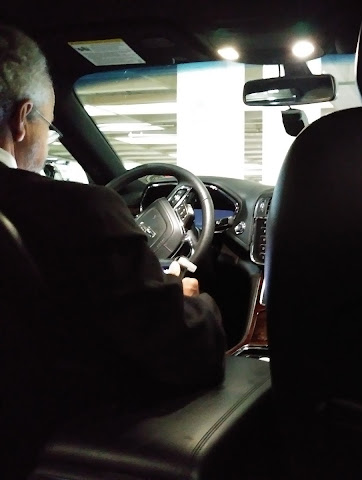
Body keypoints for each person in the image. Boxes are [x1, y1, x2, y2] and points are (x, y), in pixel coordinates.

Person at [0, 24, 227, 478]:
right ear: (22, 119)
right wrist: (189, 302)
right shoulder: (79, 210)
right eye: (50, 125)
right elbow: (181, 353)